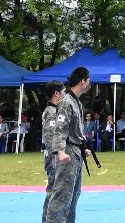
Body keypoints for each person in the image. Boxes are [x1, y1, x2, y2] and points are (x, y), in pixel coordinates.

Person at [45, 66, 92, 223]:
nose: (89, 83)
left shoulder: (76, 102)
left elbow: (75, 131)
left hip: (75, 152)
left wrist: (82, 146)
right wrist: (60, 151)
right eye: (88, 80)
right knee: (61, 195)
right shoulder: (66, 102)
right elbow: (60, 129)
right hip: (67, 153)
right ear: (82, 81)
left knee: (73, 195)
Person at [41, 81, 65, 223]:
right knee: (53, 191)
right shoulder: (51, 112)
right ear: (56, 94)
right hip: (53, 157)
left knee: (55, 190)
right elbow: (50, 136)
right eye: (63, 91)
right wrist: (55, 155)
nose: (65, 94)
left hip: (54, 156)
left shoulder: (55, 110)